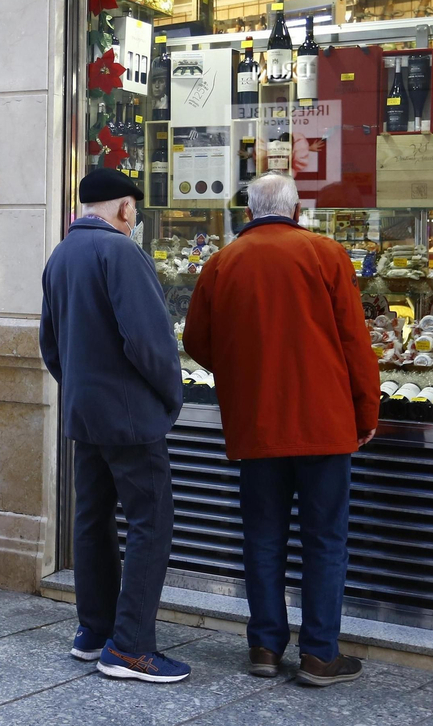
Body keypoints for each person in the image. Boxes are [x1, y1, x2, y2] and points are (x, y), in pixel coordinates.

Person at [182, 173, 380, 686]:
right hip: (324, 425)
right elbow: (356, 344)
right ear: (296, 212)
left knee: (263, 539)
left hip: (258, 427)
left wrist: (243, 369)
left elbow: (198, 342)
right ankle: (319, 656)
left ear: (249, 213)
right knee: (325, 541)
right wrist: (366, 413)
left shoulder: (222, 262)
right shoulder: (325, 254)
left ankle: (265, 649)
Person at [39, 167, 189, 684]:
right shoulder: (121, 252)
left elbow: (50, 345)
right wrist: (172, 395)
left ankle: (94, 631)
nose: (137, 216)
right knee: (151, 524)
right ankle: (129, 647)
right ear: (124, 207)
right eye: (136, 208)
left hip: (85, 413)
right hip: (130, 418)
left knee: (91, 519)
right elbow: (149, 343)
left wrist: (81, 388)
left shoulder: (62, 254)